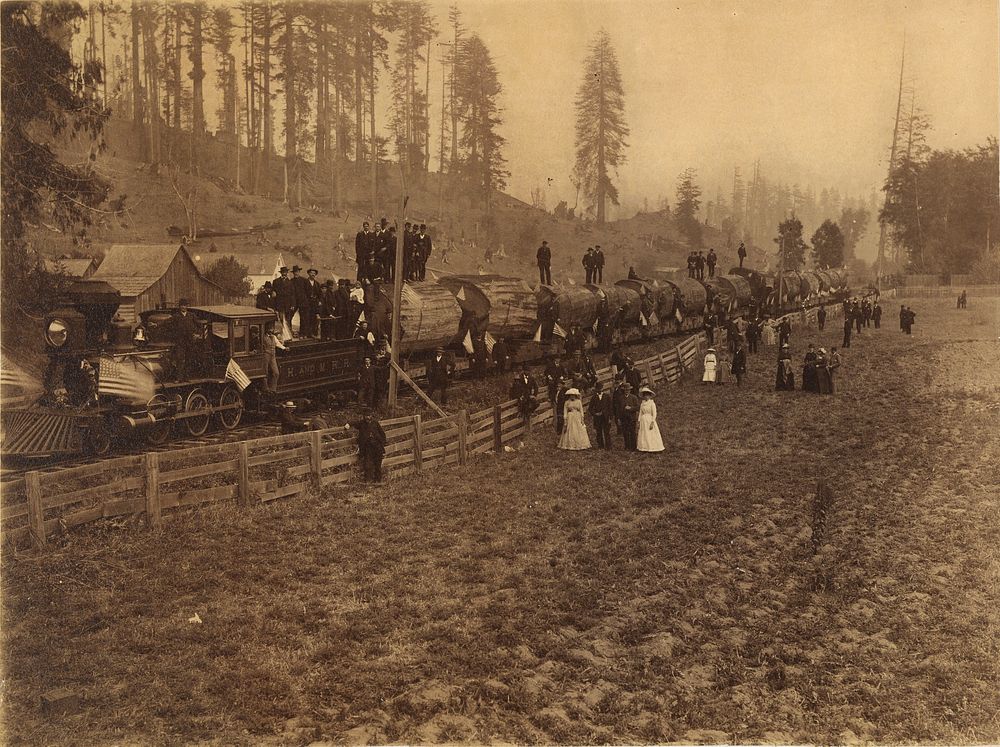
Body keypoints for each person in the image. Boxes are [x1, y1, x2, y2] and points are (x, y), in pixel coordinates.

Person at [356, 408, 387, 482]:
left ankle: (378, 480)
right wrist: (348, 424)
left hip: (377, 446)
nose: (368, 417)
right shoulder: (361, 424)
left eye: (369, 415)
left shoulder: (375, 423)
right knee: (367, 465)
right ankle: (368, 481)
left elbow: (382, 434)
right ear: (363, 416)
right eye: (366, 416)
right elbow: (353, 423)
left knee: (378, 464)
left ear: (371, 416)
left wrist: (382, 444)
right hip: (368, 447)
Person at [172, 298, 199, 380]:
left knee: (189, 359)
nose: (183, 307)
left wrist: (197, 334)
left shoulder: (192, 316)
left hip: (190, 341)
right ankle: (179, 378)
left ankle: (187, 377)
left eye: (184, 305)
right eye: (181, 305)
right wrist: (155, 324)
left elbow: (199, 325)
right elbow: (167, 323)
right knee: (180, 359)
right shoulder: (176, 316)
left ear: (187, 306)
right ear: (179, 307)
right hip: (180, 342)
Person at [636, 387, 664, 452]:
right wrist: (639, 421)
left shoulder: (652, 403)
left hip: (649, 419)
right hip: (643, 420)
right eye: (645, 395)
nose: (646, 397)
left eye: (647, 395)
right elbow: (640, 413)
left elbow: (654, 413)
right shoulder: (642, 404)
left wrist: (652, 422)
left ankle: (653, 447)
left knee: (650, 433)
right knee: (644, 433)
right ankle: (644, 448)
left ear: (650, 396)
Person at [588, 380, 613, 449]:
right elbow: (590, 408)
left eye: (600, 388)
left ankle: (608, 446)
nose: (599, 390)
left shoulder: (607, 396)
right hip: (597, 418)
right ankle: (600, 446)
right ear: (596, 389)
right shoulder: (593, 397)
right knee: (599, 432)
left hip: (606, 417)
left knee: (606, 432)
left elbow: (610, 408)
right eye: (598, 388)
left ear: (602, 388)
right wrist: (595, 414)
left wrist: (610, 418)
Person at [262, 323, 285, 394]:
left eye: (272, 329)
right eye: (270, 329)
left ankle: (273, 388)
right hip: (266, 355)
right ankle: (265, 388)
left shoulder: (273, 337)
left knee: (276, 372)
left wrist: (284, 348)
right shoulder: (263, 337)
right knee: (265, 372)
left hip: (272, 356)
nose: (271, 330)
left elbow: (278, 344)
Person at [273, 266, 295, 331]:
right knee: (281, 318)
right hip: (279, 303)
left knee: (288, 319)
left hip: (288, 303)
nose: (284, 273)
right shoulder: (276, 281)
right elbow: (273, 292)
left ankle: (288, 333)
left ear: (287, 273)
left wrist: (293, 304)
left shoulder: (290, 282)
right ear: (281, 273)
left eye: (285, 272)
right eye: (283, 272)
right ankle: (283, 332)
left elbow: (292, 294)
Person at [621, 382, 640, 450]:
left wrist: (631, 408)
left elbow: (638, 407)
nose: (627, 391)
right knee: (625, 432)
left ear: (630, 390)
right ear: (624, 390)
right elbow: (618, 409)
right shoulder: (621, 398)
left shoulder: (634, 397)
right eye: (625, 390)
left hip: (632, 418)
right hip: (624, 418)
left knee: (632, 432)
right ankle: (627, 446)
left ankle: (633, 446)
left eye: (628, 390)